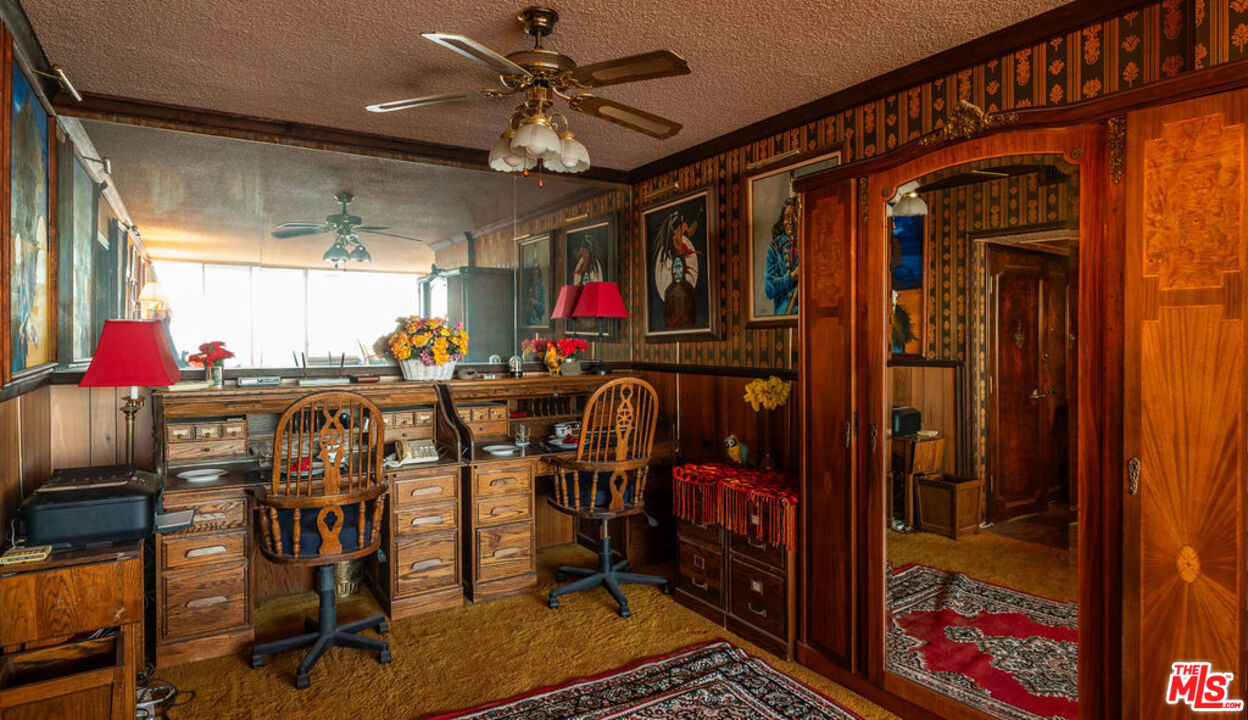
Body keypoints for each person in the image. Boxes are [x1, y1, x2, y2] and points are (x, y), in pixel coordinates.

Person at [763, 197, 799, 315]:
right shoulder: (775, 248)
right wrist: (793, 276)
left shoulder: (809, 244)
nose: (790, 222)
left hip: (805, 314)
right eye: (787, 217)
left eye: (794, 216)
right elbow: (769, 289)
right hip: (783, 314)